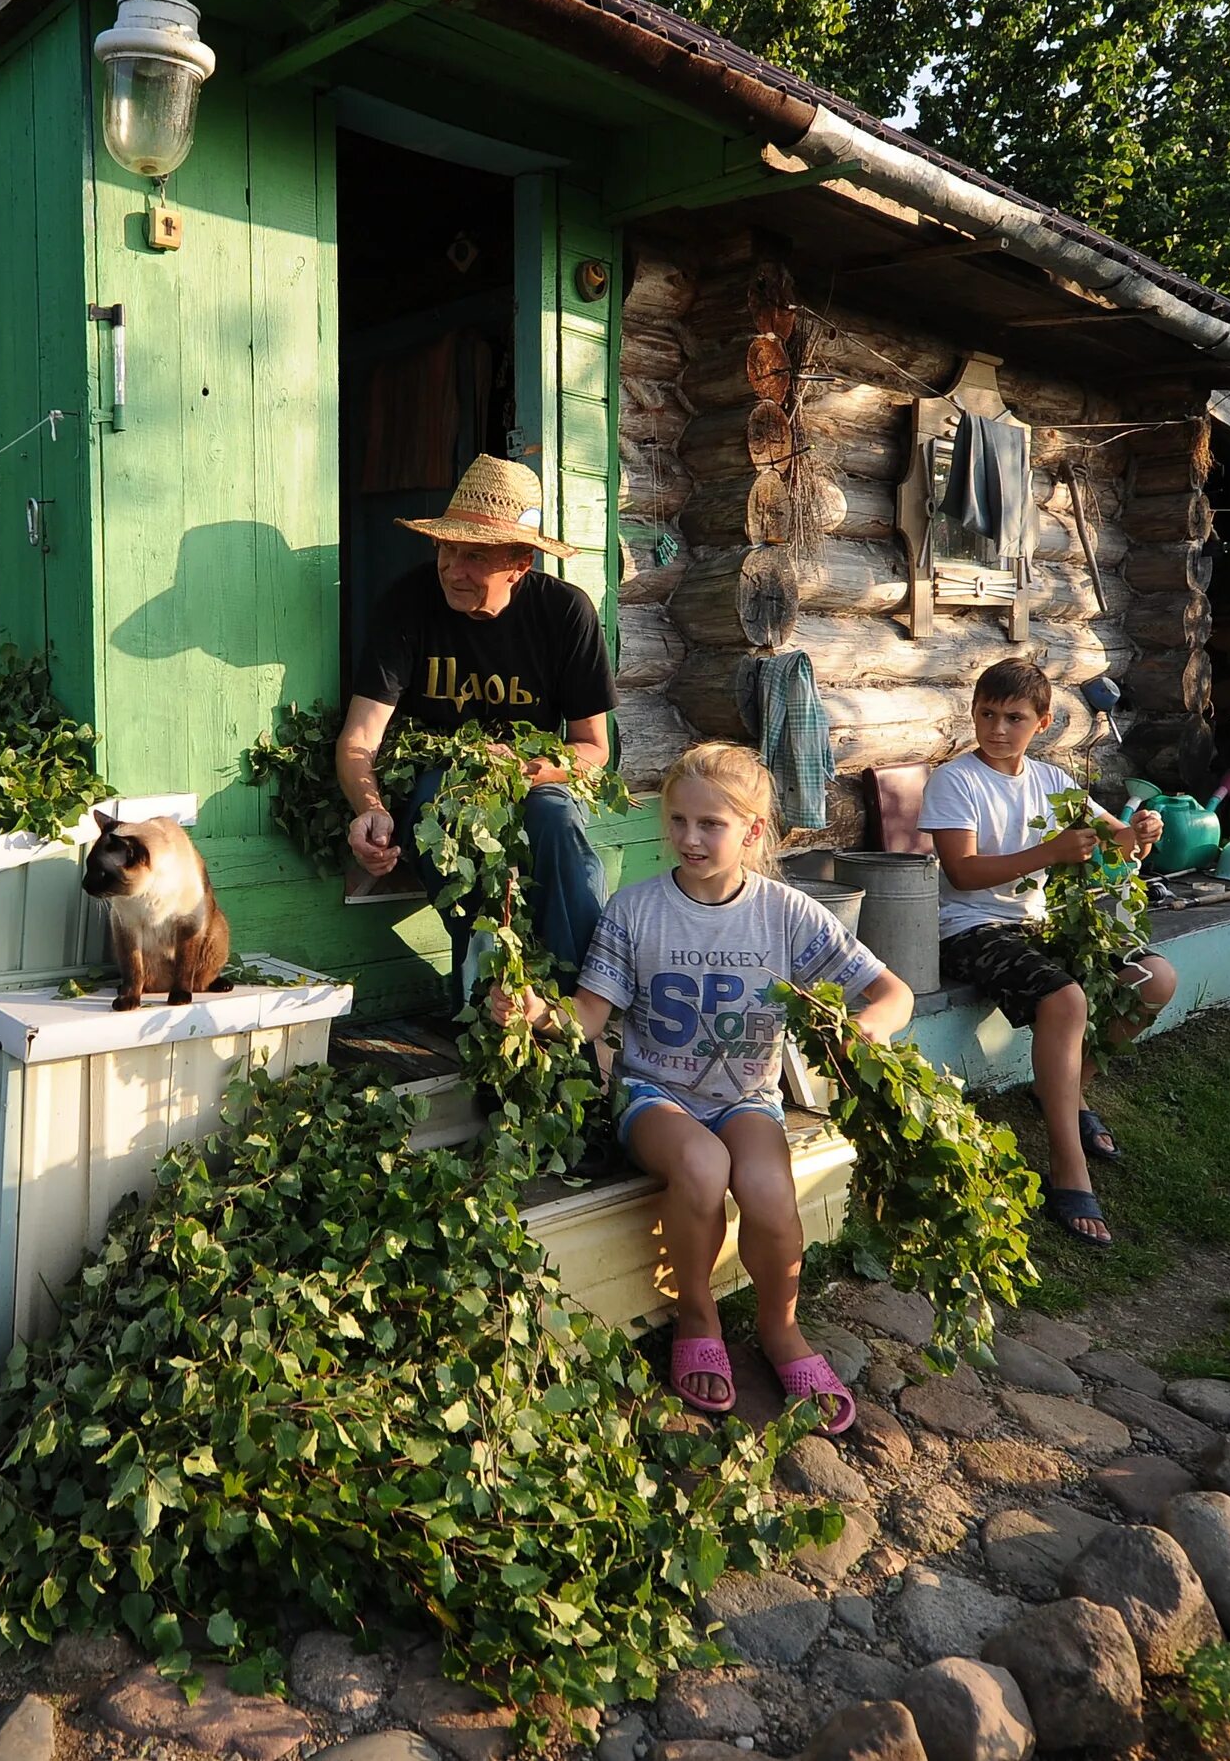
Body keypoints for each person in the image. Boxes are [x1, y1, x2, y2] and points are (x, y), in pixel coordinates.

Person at [568, 742, 912, 1429]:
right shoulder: (635, 910)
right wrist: (532, 1011)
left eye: (711, 824)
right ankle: (697, 1314)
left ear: (753, 831)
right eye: (677, 820)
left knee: (768, 1189)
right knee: (702, 1163)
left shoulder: (786, 913)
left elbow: (891, 991)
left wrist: (867, 1028)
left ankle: (780, 1326)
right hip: (653, 1093)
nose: (689, 838)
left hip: (747, 1097)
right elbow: (586, 1013)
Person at [920, 657, 1176, 1249]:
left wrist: (1141, 833)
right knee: (1065, 998)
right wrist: (1051, 854)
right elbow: (961, 873)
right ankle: (1068, 1163)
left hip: (1040, 925)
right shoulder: (956, 781)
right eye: (987, 714)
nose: (998, 728)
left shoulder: (1052, 782)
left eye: (1014, 718)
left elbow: (1113, 835)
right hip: (969, 928)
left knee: (1155, 978)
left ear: (1043, 722)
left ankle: (1066, 1089)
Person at [338, 454, 616, 976]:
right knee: (436, 815)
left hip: (535, 778)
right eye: (446, 547)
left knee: (557, 822)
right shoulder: (407, 603)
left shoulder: (564, 614)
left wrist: (519, 767)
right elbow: (360, 738)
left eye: (475, 556)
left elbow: (594, 750)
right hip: (439, 779)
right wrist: (369, 807)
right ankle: (486, 991)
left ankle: (580, 1002)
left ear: (520, 564)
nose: (452, 568)